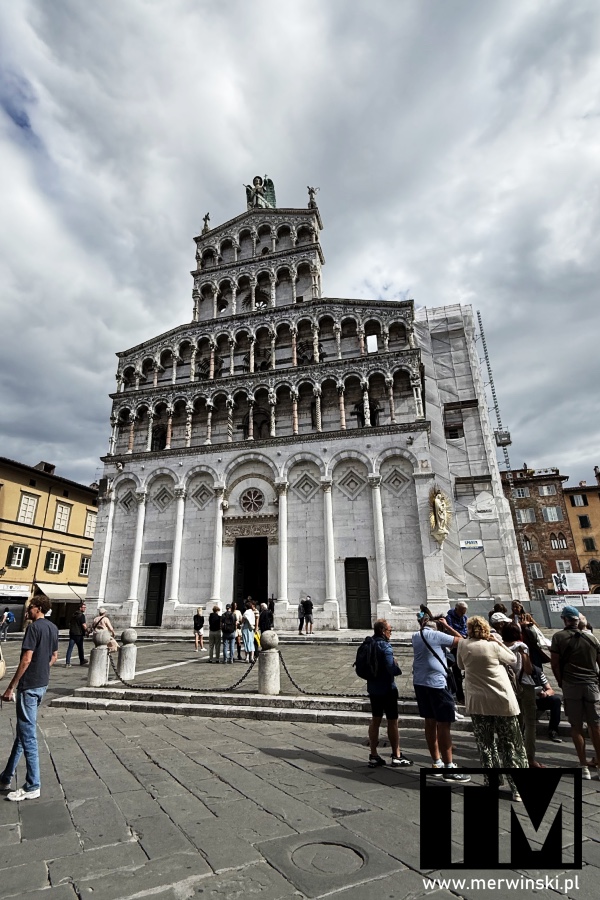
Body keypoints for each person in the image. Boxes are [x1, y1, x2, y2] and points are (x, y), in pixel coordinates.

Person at [457, 616, 528, 801]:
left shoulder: (463, 645)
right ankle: (517, 789)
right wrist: (498, 641)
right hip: (501, 701)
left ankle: (492, 782)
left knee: (485, 744)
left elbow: (459, 665)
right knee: (510, 744)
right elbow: (512, 658)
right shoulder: (494, 645)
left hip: (478, 702)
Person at [0, 595, 58, 801]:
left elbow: (26, 659)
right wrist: (42, 671)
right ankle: (6, 777)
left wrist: (10, 687)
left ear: (39, 608)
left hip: (30, 685)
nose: (27, 610)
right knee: (23, 732)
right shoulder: (53, 628)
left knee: (28, 735)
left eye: (30, 607)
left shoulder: (33, 629)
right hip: (42, 685)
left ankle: (33, 785)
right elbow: (54, 656)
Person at [411, 610, 469, 782]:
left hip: (420, 683)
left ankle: (436, 763)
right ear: (436, 627)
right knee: (444, 726)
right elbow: (464, 642)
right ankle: (449, 767)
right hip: (436, 684)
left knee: (429, 722)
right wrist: (447, 626)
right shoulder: (436, 636)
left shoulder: (415, 636)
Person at [550, 605, 600, 780]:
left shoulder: (558, 637)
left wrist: (561, 682)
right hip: (591, 684)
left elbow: (554, 664)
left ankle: (583, 765)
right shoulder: (592, 638)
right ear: (578, 620)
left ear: (564, 619)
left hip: (571, 685)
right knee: (595, 725)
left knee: (576, 726)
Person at [366, 619, 413, 768]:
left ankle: (373, 755)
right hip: (387, 688)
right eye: (389, 630)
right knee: (392, 721)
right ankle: (396, 755)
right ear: (382, 631)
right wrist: (396, 665)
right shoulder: (385, 647)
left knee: (375, 719)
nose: (390, 633)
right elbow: (391, 668)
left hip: (373, 688)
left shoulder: (368, 644)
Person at [502, 622, 543, 768]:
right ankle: (529, 758)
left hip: (507, 687)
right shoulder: (521, 646)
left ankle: (514, 756)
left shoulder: (499, 646)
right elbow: (528, 670)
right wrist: (524, 653)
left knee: (515, 722)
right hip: (524, 685)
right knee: (530, 723)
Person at [441, 602, 468, 703]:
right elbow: (449, 631)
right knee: (456, 672)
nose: (462, 615)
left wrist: (464, 635)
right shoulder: (449, 618)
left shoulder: (464, 618)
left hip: (464, 644)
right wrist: (461, 636)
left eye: (464, 612)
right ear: (456, 609)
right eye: (461, 612)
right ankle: (459, 696)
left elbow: (465, 629)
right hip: (454, 646)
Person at [532, 664, 563, 743]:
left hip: (538, 700)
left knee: (556, 700)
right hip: (523, 700)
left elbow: (550, 690)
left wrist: (545, 694)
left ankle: (553, 730)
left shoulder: (538, 672)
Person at [65, 602, 88, 667]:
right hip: (79, 634)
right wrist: (87, 631)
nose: (85, 609)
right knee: (80, 648)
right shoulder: (81, 615)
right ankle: (82, 660)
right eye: (84, 607)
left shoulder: (73, 614)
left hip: (72, 633)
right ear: (80, 608)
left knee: (70, 648)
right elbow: (83, 625)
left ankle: (67, 662)